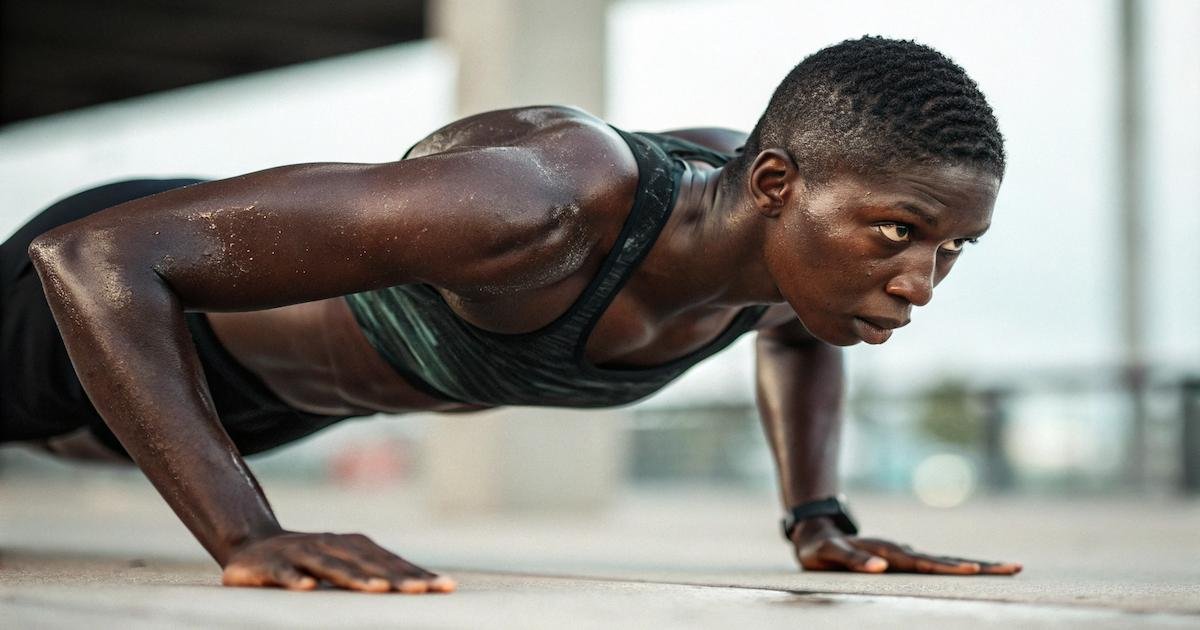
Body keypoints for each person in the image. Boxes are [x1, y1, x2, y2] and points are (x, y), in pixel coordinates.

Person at [1, 36, 1021, 594]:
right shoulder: (542, 203)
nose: (924, 281)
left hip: (242, 411)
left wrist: (817, 518)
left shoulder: (774, 258)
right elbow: (98, 258)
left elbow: (798, 332)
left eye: (952, 249)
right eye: (897, 233)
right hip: (87, 326)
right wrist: (245, 534)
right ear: (772, 181)